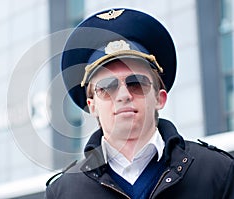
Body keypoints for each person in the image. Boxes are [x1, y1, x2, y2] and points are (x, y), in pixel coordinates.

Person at [45, 8, 234, 199]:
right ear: (92, 105)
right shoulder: (63, 193)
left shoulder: (217, 172)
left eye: (136, 83)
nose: (123, 95)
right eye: (107, 87)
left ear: (160, 98)